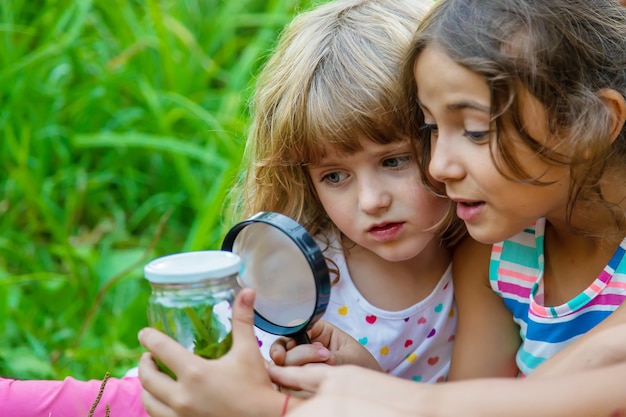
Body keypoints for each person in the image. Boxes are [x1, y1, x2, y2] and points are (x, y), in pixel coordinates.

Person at [139, 0, 626, 416]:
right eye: (431, 131)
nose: (438, 166)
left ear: (593, 122)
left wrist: (276, 411)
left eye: (475, 130)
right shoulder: (505, 249)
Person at [226, 0, 463, 383]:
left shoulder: (490, 253)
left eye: (393, 161)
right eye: (334, 176)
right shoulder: (294, 277)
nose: (371, 201)